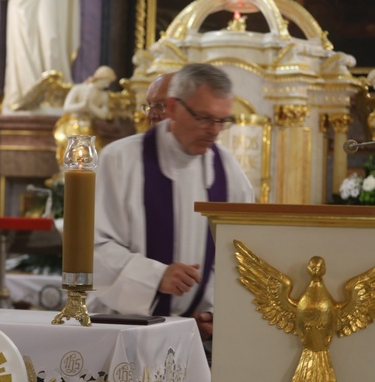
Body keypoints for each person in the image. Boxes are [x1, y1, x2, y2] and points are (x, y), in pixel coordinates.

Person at [90, 64, 254, 342]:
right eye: (204, 118)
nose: (213, 130)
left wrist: (212, 312)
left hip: (193, 336)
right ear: (174, 108)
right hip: (123, 330)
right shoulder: (120, 160)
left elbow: (239, 254)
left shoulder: (228, 170)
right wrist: (155, 277)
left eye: (221, 120)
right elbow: (91, 247)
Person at [53, 66, 115, 164]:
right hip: (73, 126)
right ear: (100, 78)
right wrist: (82, 105)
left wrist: (91, 106)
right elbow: (67, 107)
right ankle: (66, 175)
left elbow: (104, 115)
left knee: (94, 154)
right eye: (107, 81)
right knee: (72, 153)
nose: (107, 84)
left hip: (89, 128)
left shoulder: (103, 95)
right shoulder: (78, 89)